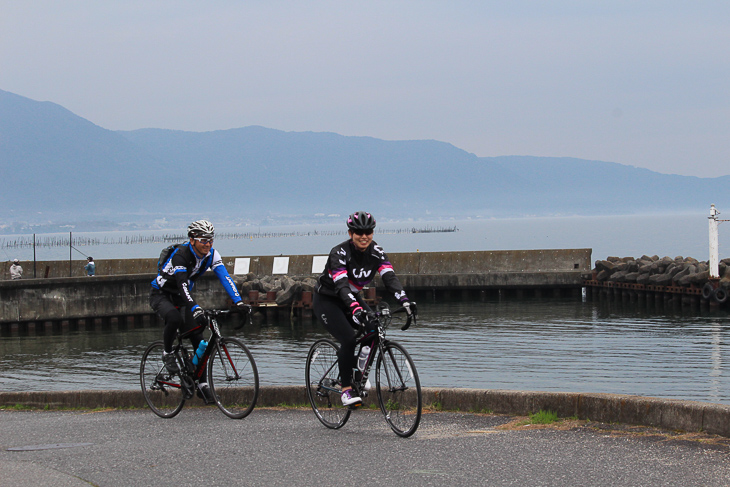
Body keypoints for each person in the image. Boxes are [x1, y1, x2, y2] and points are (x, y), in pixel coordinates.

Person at [313, 211, 417, 407]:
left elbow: (390, 278)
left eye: (368, 231)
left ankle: (358, 374)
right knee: (348, 339)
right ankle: (346, 389)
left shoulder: (377, 252)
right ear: (350, 233)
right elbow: (342, 285)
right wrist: (354, 307)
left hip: (351, 297)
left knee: (373, 327)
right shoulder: (339, 253)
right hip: (328, 300)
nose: (364, 236)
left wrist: (404, 301)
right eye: (358, 232)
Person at [150, 219, 250, 403]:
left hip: (182, 296)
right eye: (203, 240)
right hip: (162, 294)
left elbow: (225, 277)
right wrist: (195, 307)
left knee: (199, 339)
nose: (208, 244)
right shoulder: (181, 255)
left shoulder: (212, 255)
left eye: (211, 240)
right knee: (173, 318)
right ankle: (167, 352)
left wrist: (238, 302)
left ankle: (202, 385)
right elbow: (181, 284)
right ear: (192, 239)